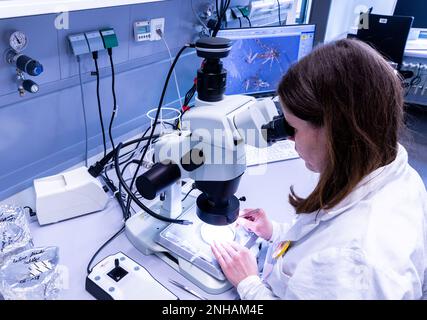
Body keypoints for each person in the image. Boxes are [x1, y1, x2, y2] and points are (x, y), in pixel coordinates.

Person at [211, 39, 427, 300]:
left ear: (335, 132)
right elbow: (323, 235)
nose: (289, 139)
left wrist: (248, 284)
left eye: (292, 128)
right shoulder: (391, 169)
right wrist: (276, 233)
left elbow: (333, 259)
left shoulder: (352, 266)